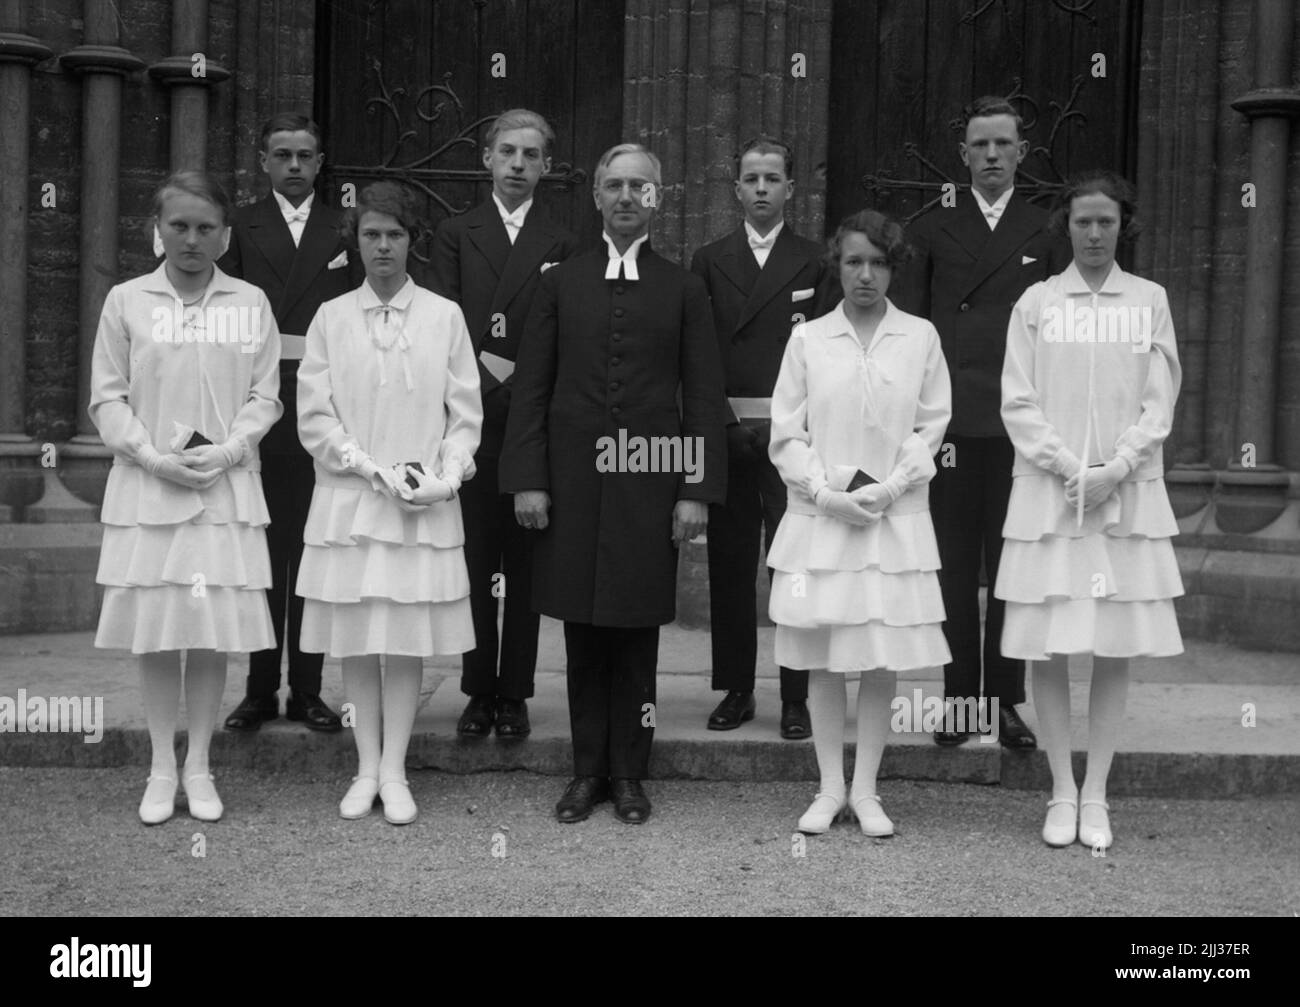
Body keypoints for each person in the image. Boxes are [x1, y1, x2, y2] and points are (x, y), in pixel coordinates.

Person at [499, 143, 727, 825]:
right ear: (596, 195)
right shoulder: (558, 283)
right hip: (570, 482)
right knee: (580, 632)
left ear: (660, 197)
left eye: (641, 187)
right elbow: (531, 390)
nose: (627, 197)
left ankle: (630, 771)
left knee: (634, 633)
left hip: (650, 482)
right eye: (615, 186)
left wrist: (694, 489)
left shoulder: (683, 287)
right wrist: (528, 480)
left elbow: (704, 395)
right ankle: (586, 769)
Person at [997, 171, 1183, 850]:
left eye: (1107, 221)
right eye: (1084, 222)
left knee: (1113, 644)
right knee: (1050, 643)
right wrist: (1072, 469)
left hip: (1126, 497)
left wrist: (1117, 469)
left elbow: (1159, 400)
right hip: (1052, 496)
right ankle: (1060, 789)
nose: (1096, 234)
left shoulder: (1150, 300)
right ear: (1066, 228)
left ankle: (1097, 790)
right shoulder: (1038, 303)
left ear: (1123, 225)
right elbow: (1017, 399)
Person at [89, 171, 281, 824]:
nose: (192, 239)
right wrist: (152, 456)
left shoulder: (250, 302)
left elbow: (266, 394)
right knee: (157, 630)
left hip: (224, 490)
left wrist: (228, 450)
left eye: (205, 228)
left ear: (224, 236)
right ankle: (159, 764)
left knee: (208, 630)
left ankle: (198, 761)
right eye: (179, 226)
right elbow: (107, 395)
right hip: (149, 490)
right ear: (157, 231)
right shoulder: (127, 301)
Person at [296, 182, 482, 825]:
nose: (383, 246)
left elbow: (465, 412)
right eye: (371, 234)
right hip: (350, 500)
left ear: (412, 242)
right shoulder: (330, 317)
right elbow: (314, 416)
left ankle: (397, 769)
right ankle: (364, 766)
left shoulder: (444, 316)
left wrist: (448, 475)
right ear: (356, 240)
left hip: (419, 504)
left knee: (403, 638)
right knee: (355, 639)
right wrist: (366, 466)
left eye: (395, 235)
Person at [894, 96, 1071, 748]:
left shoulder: (1047, 230)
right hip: (951, 428)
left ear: (1022, 152)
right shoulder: (935, 228)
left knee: (1012, 569)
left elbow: (1060, 335)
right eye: (980, 146)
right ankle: (958, 699)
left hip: (1018, 429)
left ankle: (1006, 699)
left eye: (1003, 144)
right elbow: (910, 332)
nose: (992, 156)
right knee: (951, 566)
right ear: (963, 154)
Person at [768, 209, 951, 838]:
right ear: (836, 267)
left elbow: (932, 424)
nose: (865, 274)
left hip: (893, 521)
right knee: (823, 654)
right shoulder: (807, 339)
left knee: (878, 655)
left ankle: (867, 790)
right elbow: (787, 431)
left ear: (892, 268)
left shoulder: (920, 337)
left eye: (877, 262)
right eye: (853, 262)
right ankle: (827, 787)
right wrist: (823, 492)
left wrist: (895, 485)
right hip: (823, 520)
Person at [431, 109, 580, 740]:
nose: (518, 164)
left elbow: (564, 327)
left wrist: (520, 388)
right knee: (474, 560)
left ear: (547, 165)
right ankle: (476, 689)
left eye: (531, 155)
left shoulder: (564, 239)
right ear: (486, 158)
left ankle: (514, 690)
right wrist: (483, 385)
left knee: (522, 565)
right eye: (507, 152)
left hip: (532, 419)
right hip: (469, 415)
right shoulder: (454, 231)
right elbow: (442, 317)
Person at [690, 135, 836, 740]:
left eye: (772, 179)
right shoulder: (709, 259)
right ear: (735, 188)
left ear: (791, 189)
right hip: (729, 432)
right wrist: (722, 423)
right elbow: (699, 354)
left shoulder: (814, 261)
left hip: (791, 437)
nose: (760, 190)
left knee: (793, 566)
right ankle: (736, 688)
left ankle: (796, 695)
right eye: (750, 179)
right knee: (729, 565)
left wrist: (790, 428)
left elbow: (824, 355)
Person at [220, 113, 358, 735]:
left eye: (306, 154)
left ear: (321, 161)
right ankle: (256, 689)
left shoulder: (345, 227)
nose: (295, 165)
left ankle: (306, 688)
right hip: (256, 401)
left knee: (310, 549)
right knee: (260, 551)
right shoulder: (241, 226)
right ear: (264, 160)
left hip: (321, 403)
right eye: (283, 154)